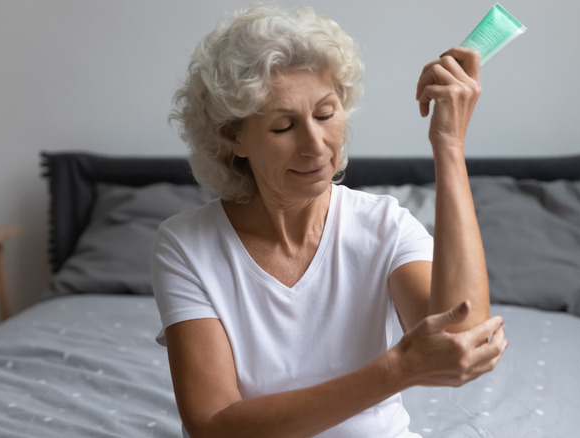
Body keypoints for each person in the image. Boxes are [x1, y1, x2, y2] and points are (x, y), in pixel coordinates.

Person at [153, 5, 507, 438]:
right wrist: (397, 369)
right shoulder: (187, 244)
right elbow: (213, 424)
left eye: (325, 114)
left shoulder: (384, 226)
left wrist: (449, 144)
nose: (316, 146)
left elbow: (463, 339)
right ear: (234, 137)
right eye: (284, 127)